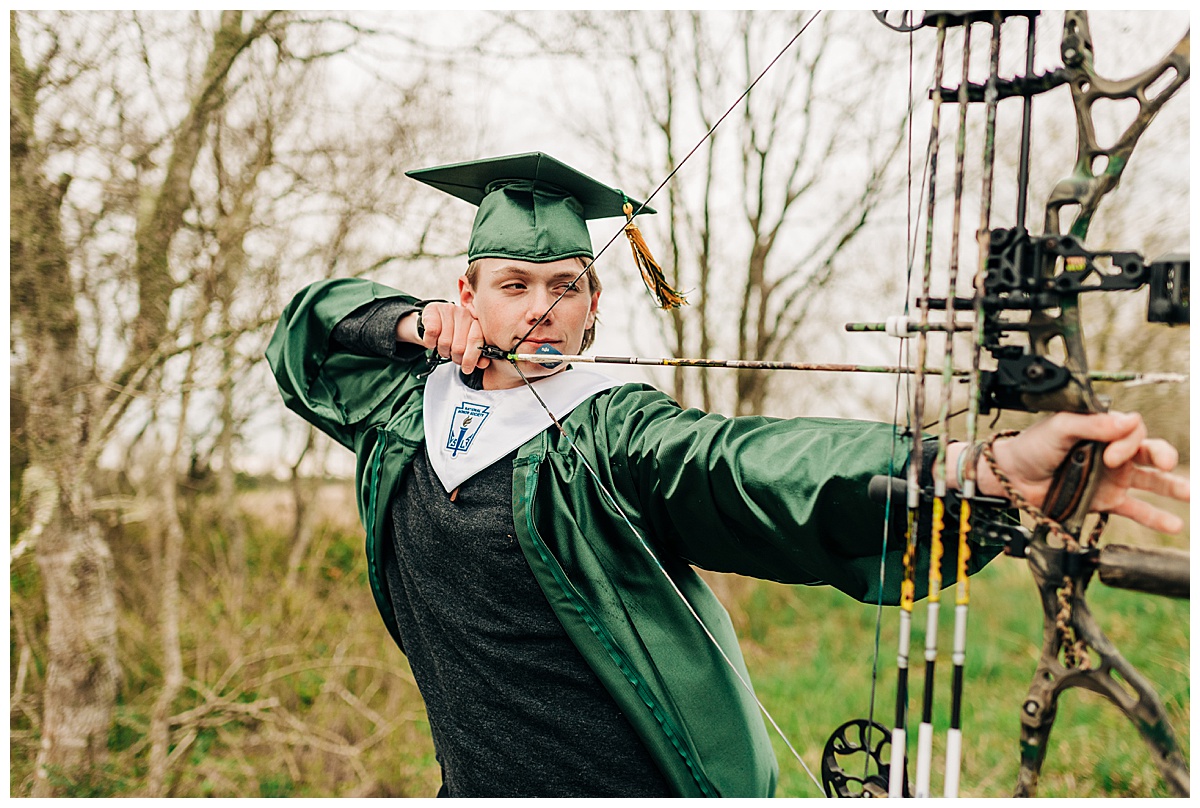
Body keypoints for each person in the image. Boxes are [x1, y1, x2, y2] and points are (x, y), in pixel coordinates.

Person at [266, 152, 1188, 798]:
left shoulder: (610, 432)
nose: (543, 308)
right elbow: (307, 334)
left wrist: (979, 469)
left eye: (568, 286)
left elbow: (748, 469)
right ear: (466, 293)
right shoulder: (401, 412)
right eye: (514, 284)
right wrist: (409, 324)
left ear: (595, 310)